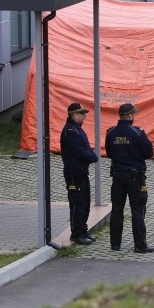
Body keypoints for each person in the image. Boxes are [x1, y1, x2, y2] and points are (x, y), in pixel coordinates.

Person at [105, 103, 154, 253]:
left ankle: (115, 244)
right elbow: (149, 153)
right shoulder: (137, 133)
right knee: (137, 209)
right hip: (135, 177)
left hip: (118, 175)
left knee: (117, 209)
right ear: (130, 115)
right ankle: (139, 245)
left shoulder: (111, 133)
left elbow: (109, 153)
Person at [60, 102, 99, 245]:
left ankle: (82, 229)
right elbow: (79, 151)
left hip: (81, 173)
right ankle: (76, 233)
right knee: (77, 204)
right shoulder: (70, 131)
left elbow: (85, 148)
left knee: (85, 203)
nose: (84, 117)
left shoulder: (77, 129)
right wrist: (92, 157)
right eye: (82, 114)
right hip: (74, 174)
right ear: (75, 115)